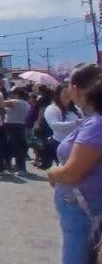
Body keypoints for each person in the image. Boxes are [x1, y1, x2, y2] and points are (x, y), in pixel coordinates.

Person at [47, 64, 102, 264]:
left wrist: (53, 172)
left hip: (84, 210)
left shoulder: (96, 125)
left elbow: (71, 173)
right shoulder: (92, 121)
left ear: (76, 89)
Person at [44, 84, 84, 171]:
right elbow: (54, 125)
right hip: (60, 143)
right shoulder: (52, 109)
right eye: (64, 92)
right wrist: (75, 123)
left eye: (69, 92)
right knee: (66, 169)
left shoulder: (76, 109)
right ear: (58, 94)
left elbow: (84, 121)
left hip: (76, 143)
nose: (67, 95)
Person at [3, 87, 31, 175]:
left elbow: (0, 103)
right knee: (19, 148)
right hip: (21, 126)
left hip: (11, 125)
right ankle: (19, 168)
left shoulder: (15, 102)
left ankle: (12, 167)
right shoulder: (26, 104)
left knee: (10, 147)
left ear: (17, 94)